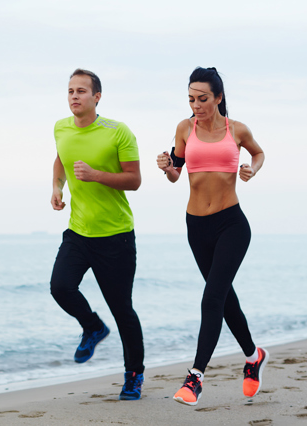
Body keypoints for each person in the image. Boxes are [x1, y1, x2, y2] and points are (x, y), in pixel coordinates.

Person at [156, 67, 268, 406]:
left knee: (212, 296)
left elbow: (259, 154)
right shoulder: (184, 128)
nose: (196, 105)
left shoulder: (237, 130)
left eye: (202, 99)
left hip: (231, 224)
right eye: (191, 99)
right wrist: (167, 166)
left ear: (218, 97)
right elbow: (175, 173)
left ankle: (195, 378)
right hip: (196, 227)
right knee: (224, 298)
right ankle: (253, 357)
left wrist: (252, 170)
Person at [51, 68, 145, 400]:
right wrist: (56, 188)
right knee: (60, 287)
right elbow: (61, 160)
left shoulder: (118, 132)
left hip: (115, 236)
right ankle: (92, 327)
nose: (74, 96)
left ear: (96, 97)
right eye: (70, 91)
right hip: (78, 232)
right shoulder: (61, 127)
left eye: (81, 91)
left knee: (122, 309)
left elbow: (134, 180)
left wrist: (96, 175)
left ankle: (133, 376)